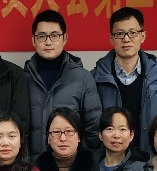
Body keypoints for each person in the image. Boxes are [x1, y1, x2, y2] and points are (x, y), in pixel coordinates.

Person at [91, 7, 157, 150]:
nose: (126, 39)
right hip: (108, 157)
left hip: (150, 156)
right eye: (119, 34)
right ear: (111, 38)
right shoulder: (95, 78)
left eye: (132, 33)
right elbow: (91, 124)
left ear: (142, 36)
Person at [22, 10, 101, 156]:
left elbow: (93, 126)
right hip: (32, 163)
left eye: (54, 35)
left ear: (64, 38)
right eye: (42, 36)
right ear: (33, 40)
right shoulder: (23, 78)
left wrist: (81, 158)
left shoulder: (82, 78)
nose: (48, 42)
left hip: (71, 163)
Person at [97, 107, 155, 171]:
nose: (116, 135)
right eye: (110, 129)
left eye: (122, 129)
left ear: (131, 135)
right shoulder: (89, 168)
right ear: (100, 134)